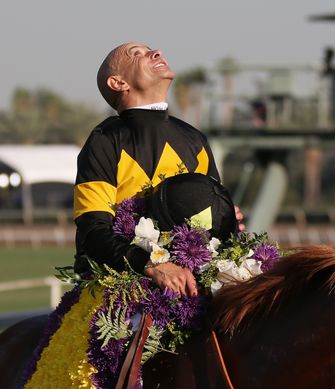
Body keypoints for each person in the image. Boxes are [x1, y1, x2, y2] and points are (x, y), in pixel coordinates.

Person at [73, 42, 241, 298]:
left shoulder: (194, 139)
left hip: (195, 284)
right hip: (121, 289)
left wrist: (228, 219)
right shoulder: (105, 139)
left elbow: (214, 220)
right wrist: (153, 265)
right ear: (118, 83)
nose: (156, 53)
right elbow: (93, 233)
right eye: (137, 54)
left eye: (151, 49)